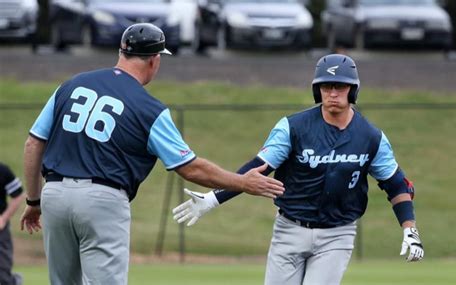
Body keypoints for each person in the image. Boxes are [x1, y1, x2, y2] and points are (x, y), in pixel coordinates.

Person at [19, 23, 284, 285]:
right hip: (102, 199)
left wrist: (33, 201)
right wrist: (242, 182)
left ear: (121, 53)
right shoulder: (148, 108)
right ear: (154, 60)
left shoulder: (72, 85)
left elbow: (33, 144)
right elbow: (190, 168)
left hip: (54, 195)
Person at [172, 54, 424, 285]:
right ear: (317, 89)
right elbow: (257, 168)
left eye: (340, 86)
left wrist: (409, 228)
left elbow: (396, 184)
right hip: (289, 229)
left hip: (337, 234)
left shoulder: (371, 137)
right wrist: (214, 198)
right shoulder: (293, 127)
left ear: (352, 90)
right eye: (326, 86)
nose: (333, 93)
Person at [0, 162, 24, 285]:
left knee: (2, 276)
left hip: (0, 230)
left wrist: (3, 218)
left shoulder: (3, 170)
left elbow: (18, 195)